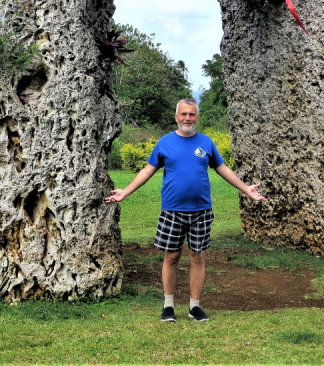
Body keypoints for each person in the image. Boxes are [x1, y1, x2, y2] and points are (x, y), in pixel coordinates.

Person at [105, 97, 266, 323]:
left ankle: (194, 306)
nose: (187, 118)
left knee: (197, 257)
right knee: (171, 257)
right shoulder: (165, 143)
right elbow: (147, 171)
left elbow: (223, 168)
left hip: (201, 210)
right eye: (184, 114)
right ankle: (168, 305)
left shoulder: (206, 143)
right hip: (172, 210)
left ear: (197, 117)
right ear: (176, 116)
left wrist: (246, 189)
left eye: (191, 114)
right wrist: (126, 192)